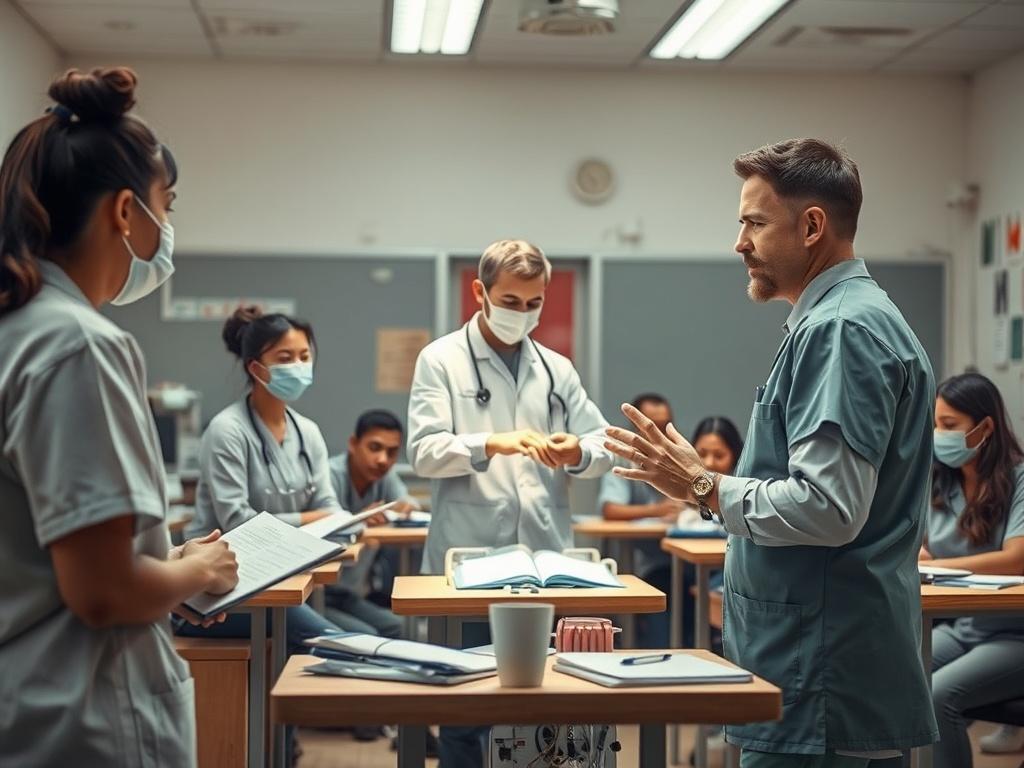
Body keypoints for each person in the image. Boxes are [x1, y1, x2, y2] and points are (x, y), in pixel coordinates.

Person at [607, 138, 938, 766]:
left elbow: (828, 507)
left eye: (754, 222)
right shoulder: (840, 320)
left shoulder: (842, 329)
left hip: (821, 666)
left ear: (812, 226)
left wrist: (704, 487)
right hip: (821, 657)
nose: (740, 243)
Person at [0, 67, 238, 767]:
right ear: (126, 212)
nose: (168, 229)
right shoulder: (76, 344)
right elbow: (104, 591)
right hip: (81, 718)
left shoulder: (19, 328)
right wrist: (198, 570)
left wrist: (168, 568)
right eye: (168, 205)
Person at [407, 239, 614, 767]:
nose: (522, 314)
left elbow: (601, 444)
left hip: (545, 558)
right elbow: (424, 454)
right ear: (479, 292)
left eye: (533, 303)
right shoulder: (441, 360)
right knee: (466, 706)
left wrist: (575, 452)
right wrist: (490, 443)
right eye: (510, 300)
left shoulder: (556, 368)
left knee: (543, 703)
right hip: (468, 560)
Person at [178, 306, 362, 761]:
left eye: (304, 355)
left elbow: (331, 507)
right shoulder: (227, 431)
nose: (298, 366)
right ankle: (278, 747)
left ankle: (283, 746)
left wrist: (332, 522)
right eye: (285, 357)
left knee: (304, 631)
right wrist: (310, 522)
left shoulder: (309, 432)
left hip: (283, 580)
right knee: (327, 641)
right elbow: (238, 518)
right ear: (255, 367)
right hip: (216, 593)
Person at [919, 373, 1024, 768]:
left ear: (985, 427)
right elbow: (919, 547)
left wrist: (938, 563)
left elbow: (1016, 558)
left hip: (1015, 636)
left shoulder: (1019, 479)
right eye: (935, 423)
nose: (938, 434)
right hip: (966, 630)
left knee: (937, 695)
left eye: (949, 426)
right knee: (891, 676)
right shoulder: (941, 484)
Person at [325, 409, 417, 639]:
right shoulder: (329, 474)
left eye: (392, 452)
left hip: (350, 595)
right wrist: (358, 520)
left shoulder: (383, 475)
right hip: (317, 592)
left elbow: (409, 502)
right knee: (366, 635)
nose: (383, 460)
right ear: (353, 444)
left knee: (402, 628)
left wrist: (403, 507)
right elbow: (323, 525)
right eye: (375, 448)